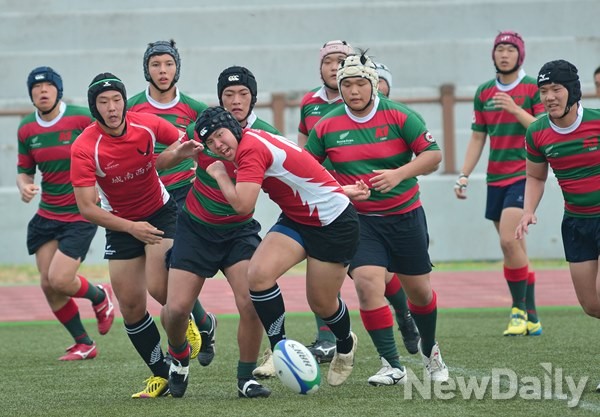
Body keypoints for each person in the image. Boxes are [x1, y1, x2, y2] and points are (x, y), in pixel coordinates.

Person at [197, 106, 368, 388]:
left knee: (322, 303)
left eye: (220, 134)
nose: (218, 145)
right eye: (210, 142)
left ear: (234, 128)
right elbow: (303, 167)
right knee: (258, 275)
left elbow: (243, 206)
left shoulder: (250, 149)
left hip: (333, 223)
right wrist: (338, 189)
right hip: (298, 218)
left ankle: (345, 343)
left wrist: (219, 174)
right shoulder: (250, 141)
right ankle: (280, 349)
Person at [306, 50, 449, 385]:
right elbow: (308, 170)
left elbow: (433, 156)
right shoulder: (326, 125)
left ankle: (430, 351)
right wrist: (341, 191)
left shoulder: (400, 116)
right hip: (360, 221)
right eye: (347, 85)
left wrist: (399, 174)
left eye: (360, 83)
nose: (353, 91)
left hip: (405, 216)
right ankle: (391, 365)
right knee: (367, 283)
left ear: (373, 84)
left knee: (420, 294)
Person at [71, 73, 202, 398]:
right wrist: (130, 227)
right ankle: (161, 373)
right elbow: (87, 208)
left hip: (159, 213)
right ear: (95, 108)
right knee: (130, 305)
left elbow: (178, 146)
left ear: (124, 101)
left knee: (160, 288)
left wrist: (186, 154)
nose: (112, 107)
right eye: (104, 102)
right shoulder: (85, 146)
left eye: (117, 99)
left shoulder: (146, 124)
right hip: (121, 223)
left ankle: (188, 338)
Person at [158, 67, 276, 399]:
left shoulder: (266, 135)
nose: (236, 100)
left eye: (243, 94)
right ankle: (179, 358)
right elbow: (161, 162)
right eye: (228, 94)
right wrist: (178, 154)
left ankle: (245, 379)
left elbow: (296, 170)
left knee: (250, 304)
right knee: (175, 309)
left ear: (254, 97)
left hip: (238, 232)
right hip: (196, 229)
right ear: (220, 99)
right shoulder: (203, 128)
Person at [17, 66, 114, 361]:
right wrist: (24, 186)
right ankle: (84, 343)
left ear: (58, 90)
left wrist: (99, 184)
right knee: (48, 284)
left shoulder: (81, 118)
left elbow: (106, 149)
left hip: (80, 213)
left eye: (48, 86)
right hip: (47, 214)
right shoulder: (26, 128)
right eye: (36, 88)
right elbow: (24, 170)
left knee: (60, 279)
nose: (42, 91)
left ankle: (100, 296)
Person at [515, 59, 600, 390]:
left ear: (573, 91)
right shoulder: (537, 132)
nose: (549, 97)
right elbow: (536, 177)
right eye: (543, 91)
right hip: (576, 222)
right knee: (591, 304)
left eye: (556, 89)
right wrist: (527, 211)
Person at [127, 39, 213, 365]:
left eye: (168, 64)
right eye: (155, 64)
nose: (162, 71)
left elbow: (213, 148)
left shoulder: (194, 108)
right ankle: (203, 321)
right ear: (146, 69)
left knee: (175, 264)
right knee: (159, 285)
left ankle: (191, 329)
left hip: (182, 195)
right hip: (144, 198)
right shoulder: (131, 108)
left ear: (177, 68)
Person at [455, 31, 545, 337]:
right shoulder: (484, 92)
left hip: (525, 175)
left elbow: (541, 127)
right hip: (495, 178)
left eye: (510, 49)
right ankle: (533, 317)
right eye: (500, 49)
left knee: (508, 241)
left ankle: (518, 310)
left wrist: (515, 109)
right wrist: (464, 174)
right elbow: (477, 137)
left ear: (520, 54)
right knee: (516, 248)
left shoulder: (532, 87)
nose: (504, 54)